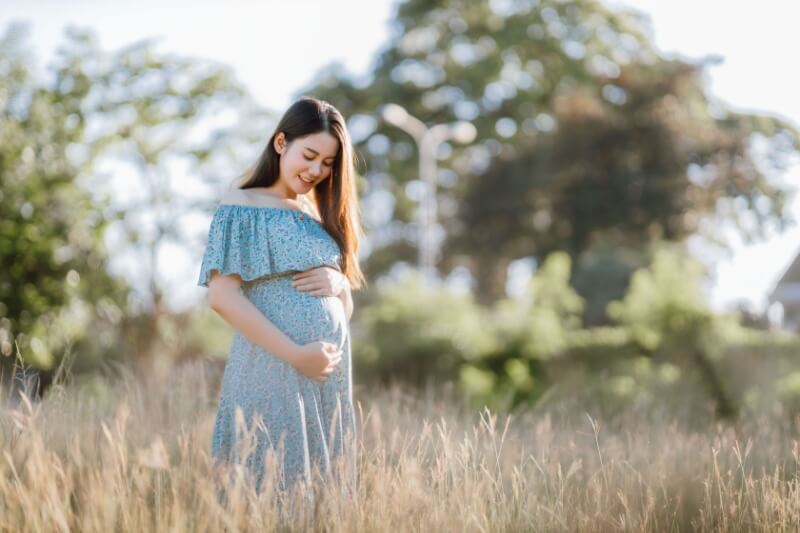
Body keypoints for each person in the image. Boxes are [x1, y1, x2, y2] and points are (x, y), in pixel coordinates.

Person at [197, 96, 366, 515]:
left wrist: (340, 283)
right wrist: (297, 354)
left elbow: (340, 311)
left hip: (323, 378)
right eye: (309, 156)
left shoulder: (314, 214)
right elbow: (222, 297)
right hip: (275, 370)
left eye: (328, 163)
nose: (316, 171)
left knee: (319, 504)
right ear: (280, 143)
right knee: (270, 496)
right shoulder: (243, 204)